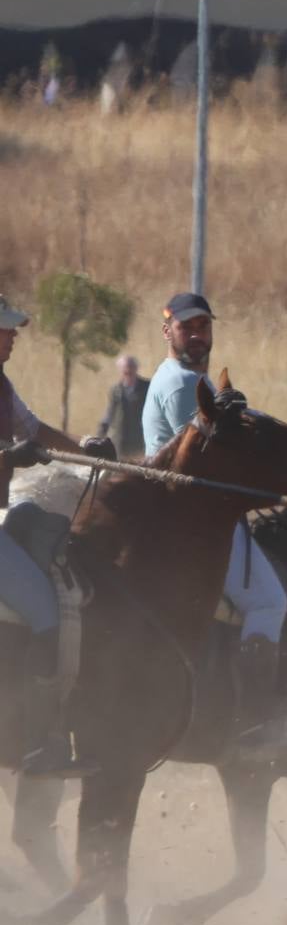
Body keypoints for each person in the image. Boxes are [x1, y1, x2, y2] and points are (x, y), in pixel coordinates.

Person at [140, 291, 287, 725]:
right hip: (193, 520)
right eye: (186, 327)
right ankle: (257, 722)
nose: (196, 334)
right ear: (166, 330)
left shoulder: (186, 379)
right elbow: (214, 454)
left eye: (203, 326)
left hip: (192, 512)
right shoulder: (184, 384)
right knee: (269, 602)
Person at [0, 300, 96, 776]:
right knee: (45, 607)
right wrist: (10, 457)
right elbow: (19, 445)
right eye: (6, 330)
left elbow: (35, 430)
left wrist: (86, 454)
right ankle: (40, 740)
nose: (14, 336)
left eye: (14, 329)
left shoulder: (2, 384)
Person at [98, 353, 148, 458]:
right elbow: (109, 413)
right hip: (121, 440)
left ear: (136, 368)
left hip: (141, 437)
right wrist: (101, 433)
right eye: (125, 368)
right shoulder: (116, 390)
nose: (128, 371)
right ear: (120, 370)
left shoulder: (147, 387)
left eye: (131, 367)